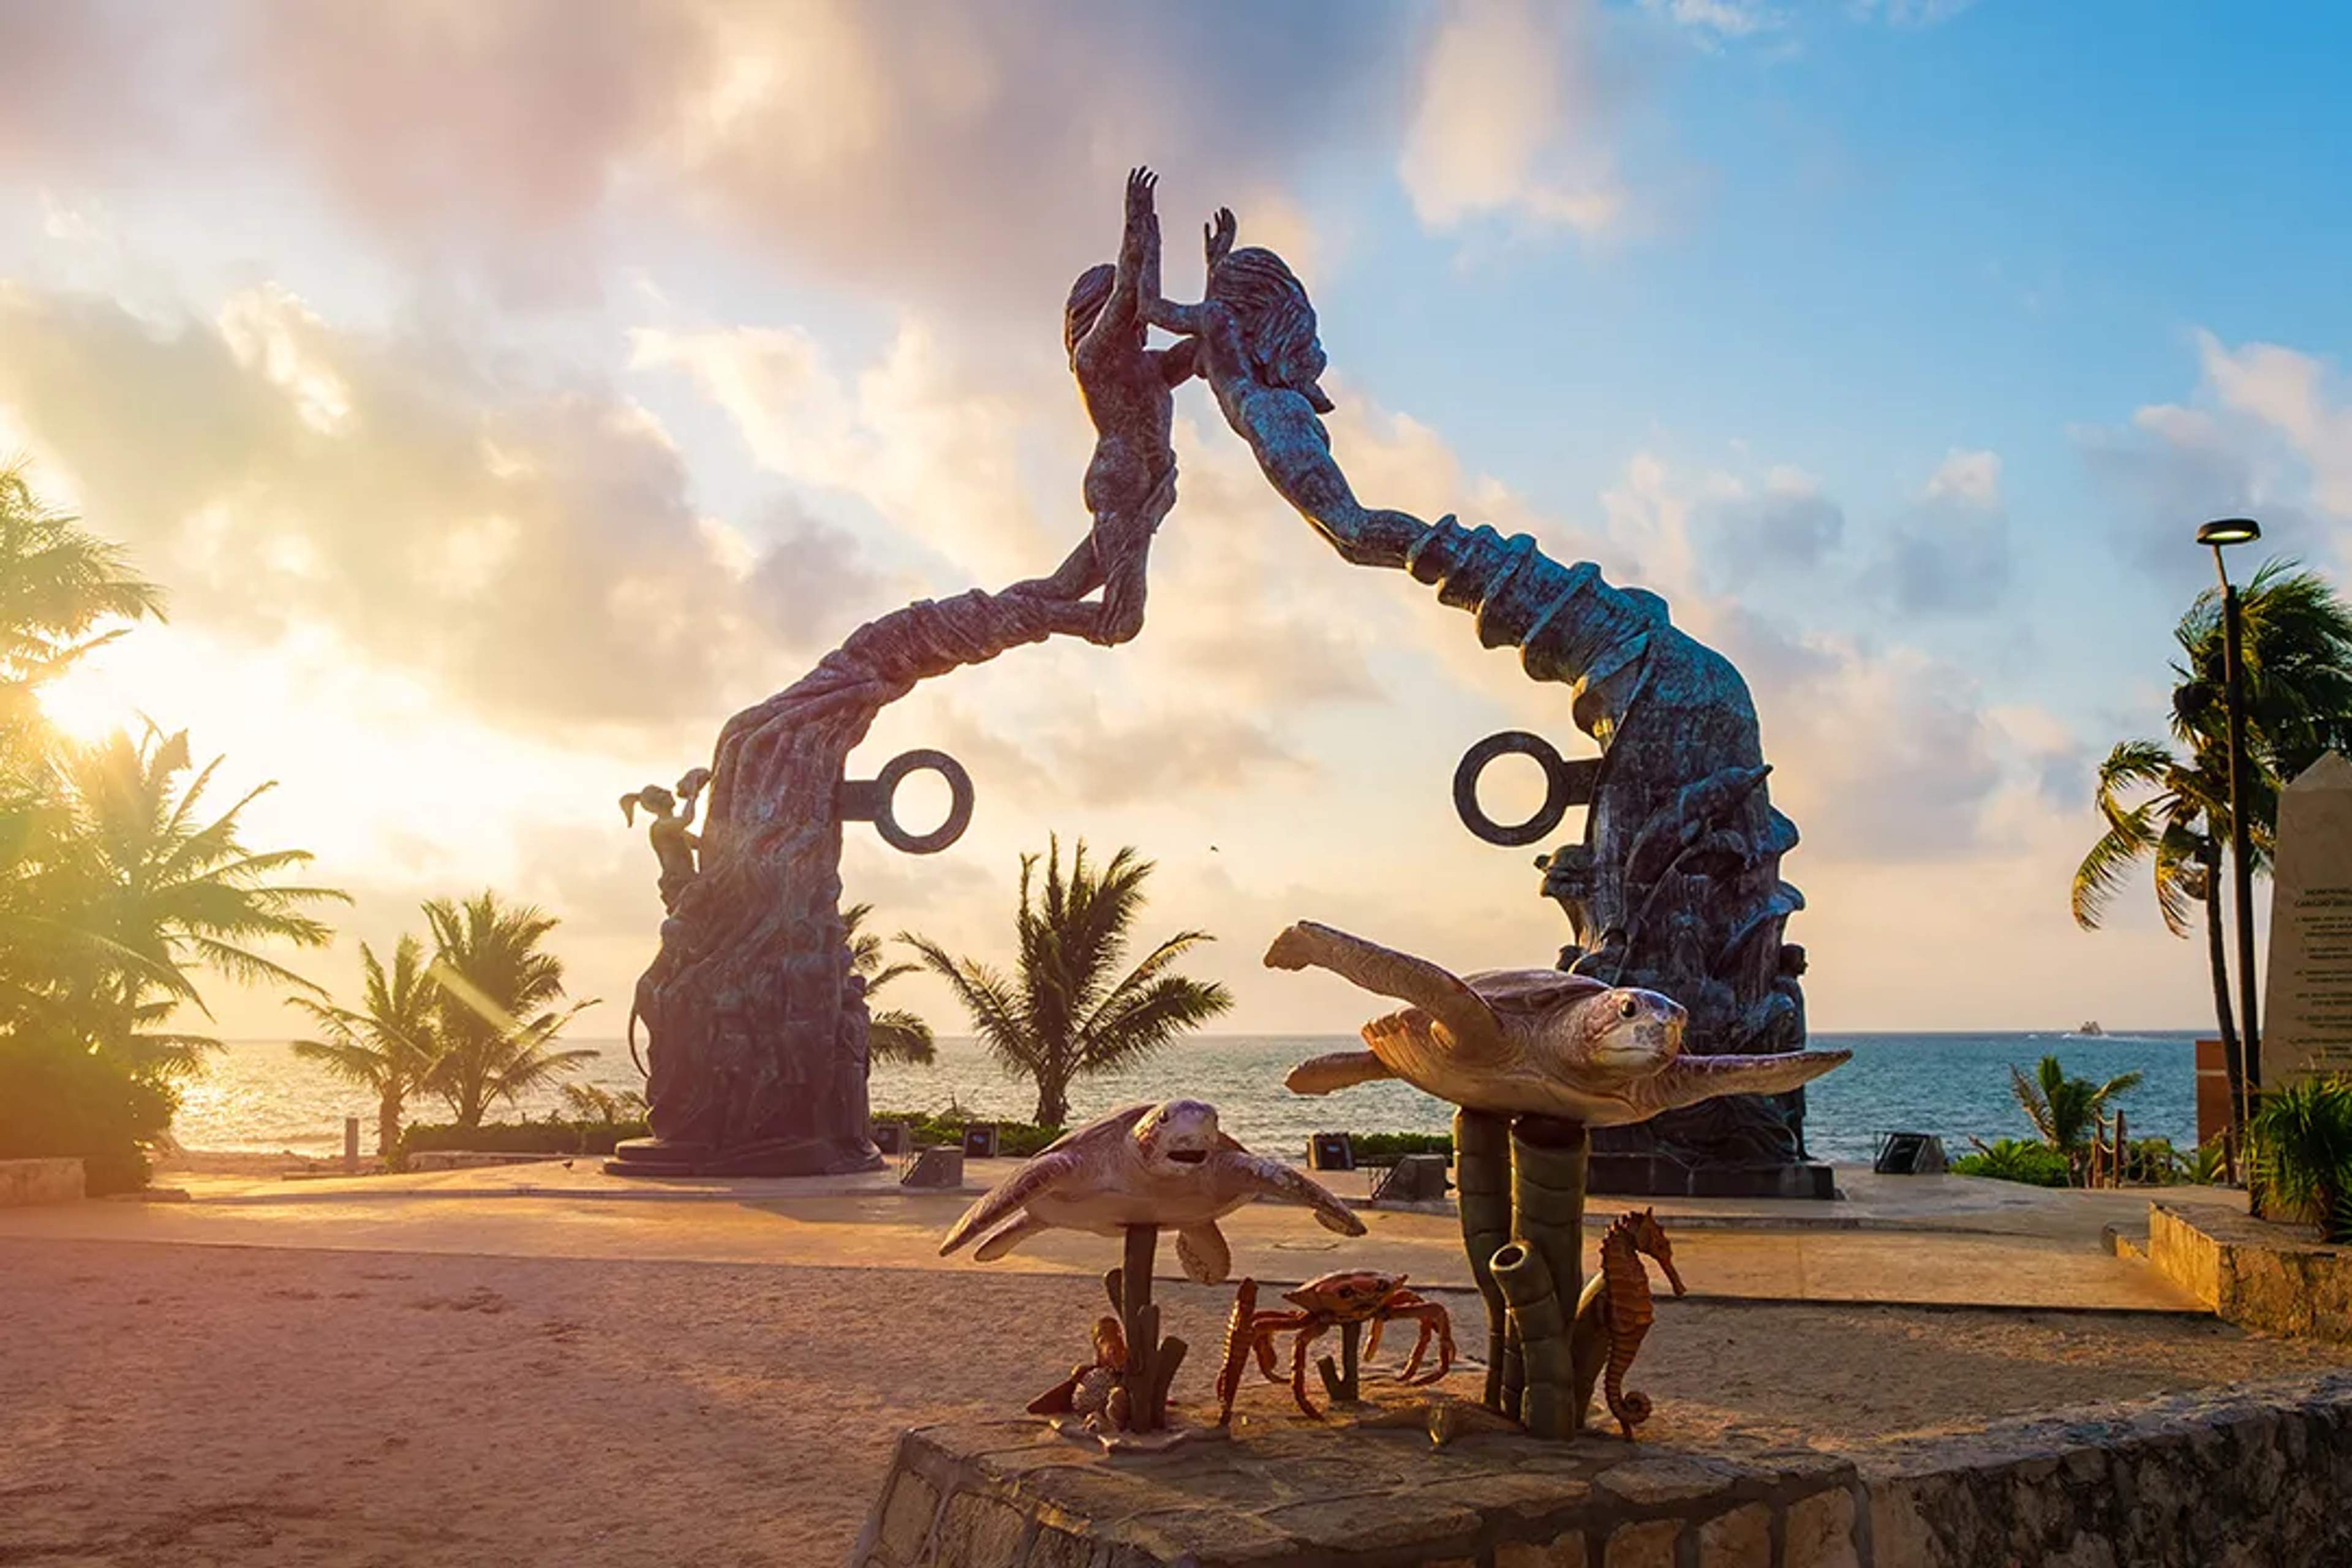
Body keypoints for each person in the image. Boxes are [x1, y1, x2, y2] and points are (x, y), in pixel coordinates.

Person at [1144, 206, 1427, 572]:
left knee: (1353, 526)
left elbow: (1151, 308)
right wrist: (1216, 264)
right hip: (1281, 417)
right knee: (1351, 547)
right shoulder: (1225, 330)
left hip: (1269, 420)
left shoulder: (1217, 321)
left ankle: (1463, 557)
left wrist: (1144, 233)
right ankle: (1454, 563)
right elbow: (1216, 317)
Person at [1008, 167, 1199, 645]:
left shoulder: (1151, 367)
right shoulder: (1095, 360)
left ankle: (985, 615)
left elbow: (1203, 346)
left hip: (1143, 500)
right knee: (1122, 621)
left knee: (1061, 587)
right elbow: (1129, 289)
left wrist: (1218, 278)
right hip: (1120, 493)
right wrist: (1139, 226)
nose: (1136, 312)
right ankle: (1013, 620)